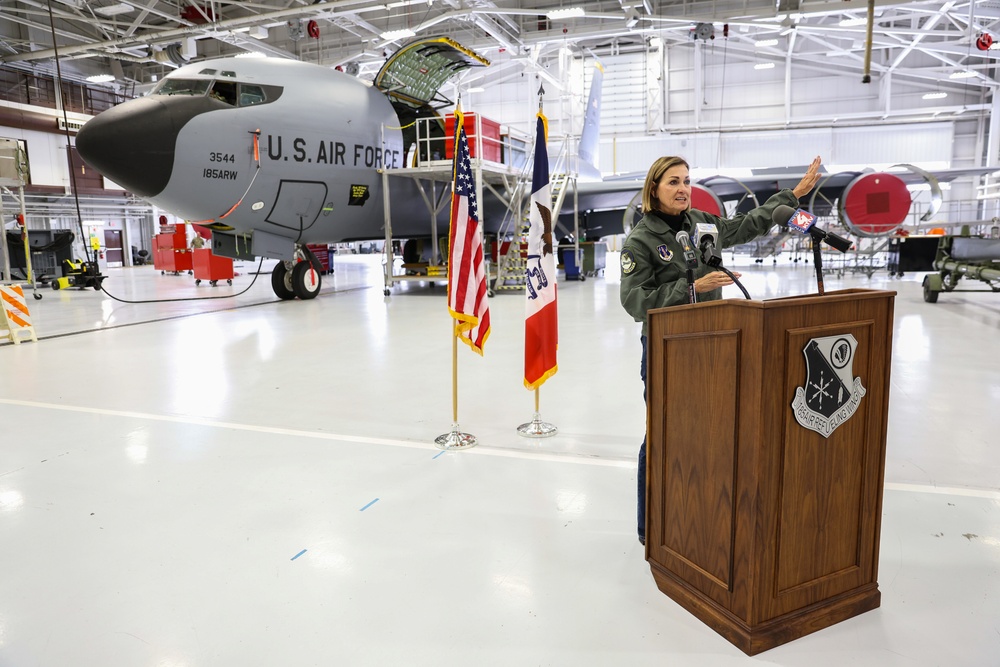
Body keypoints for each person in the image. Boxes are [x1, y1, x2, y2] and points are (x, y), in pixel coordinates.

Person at [619, 155, 822, 546]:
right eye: (673, 182)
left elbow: (746, 224)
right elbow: (634, 302)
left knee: (708, 431)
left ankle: (695, 512)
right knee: (662, 435)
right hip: (666, 348)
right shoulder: (641, 241)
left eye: (687, 181)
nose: (683, 189)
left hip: (713, 342)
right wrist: (692, 287)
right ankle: (650, 527)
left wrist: (791, 196)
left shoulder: (700, 224)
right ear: (654, 189)